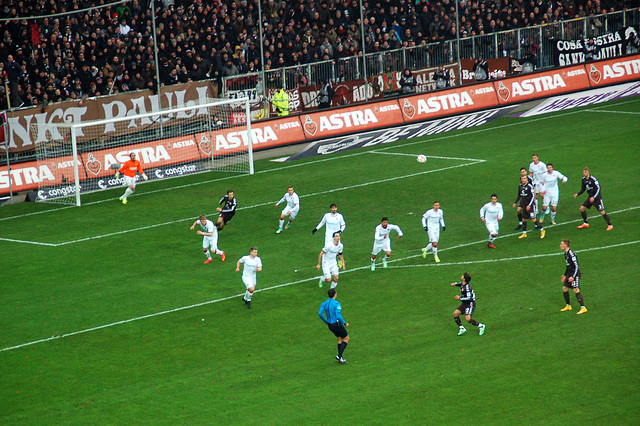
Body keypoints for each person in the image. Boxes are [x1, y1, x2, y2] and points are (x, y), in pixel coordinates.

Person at [318, 288, 350, 364]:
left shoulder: (324, 303)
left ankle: (340, 357)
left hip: (330, 325)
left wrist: (325, 321)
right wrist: (345, 323)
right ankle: (339, 356)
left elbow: (320, 313)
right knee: (346, 338)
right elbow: (338, 315)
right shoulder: (336, 304)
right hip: (337, 324)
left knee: (339, 338)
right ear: (335, 294)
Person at [559, 239, 587, 315]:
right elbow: (568, 266)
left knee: (575, 289)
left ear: (566, 245)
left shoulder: (571, 254)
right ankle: (568, 306)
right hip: (569, 273)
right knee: (564, 289)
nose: (560, 246)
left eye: (562, 244)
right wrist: (565, 275)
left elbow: (577, 266)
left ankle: (583, 307)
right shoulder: (565, 254)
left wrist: (573, 277)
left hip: (575, 273)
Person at [529, 153, 546, 221]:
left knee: (542, 195)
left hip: (542, 182)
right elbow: (531, 173)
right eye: (533, 158)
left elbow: (545, 173)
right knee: (534, 196)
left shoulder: (542, 165)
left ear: (538, 158)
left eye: (535, 158)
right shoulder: (531, 165)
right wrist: (528, 178)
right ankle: (536, 210)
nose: (534, 159)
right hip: (535, 182)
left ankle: (546, 207)